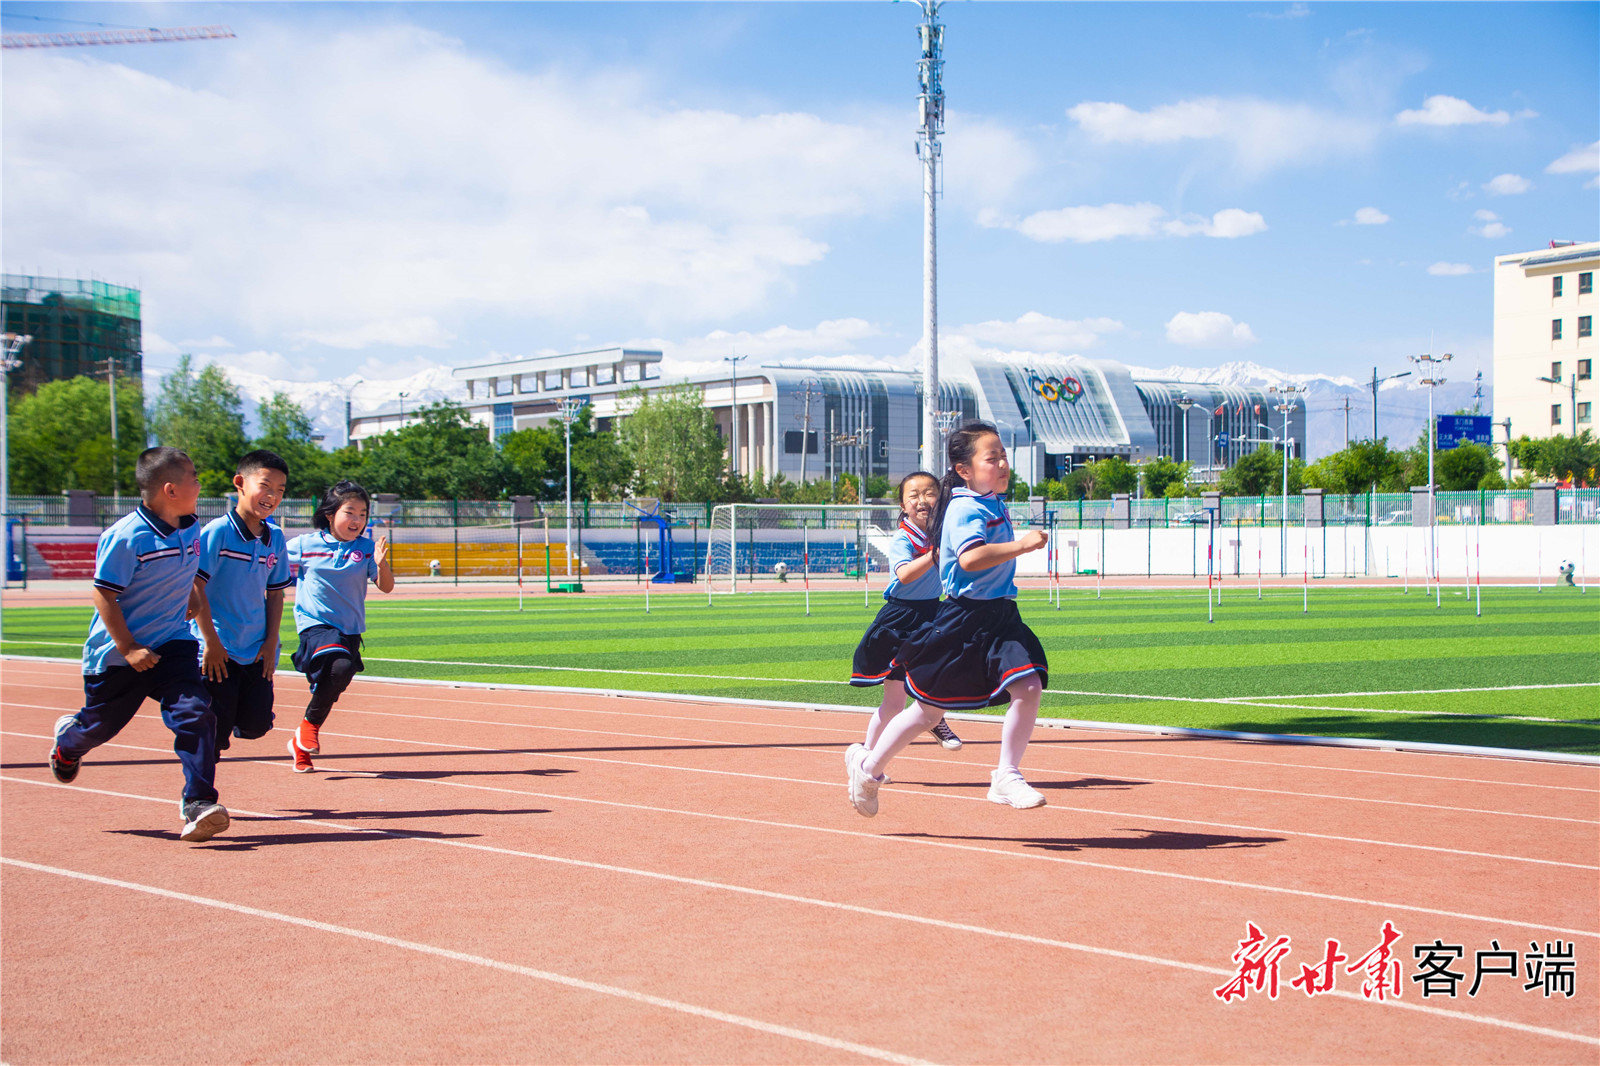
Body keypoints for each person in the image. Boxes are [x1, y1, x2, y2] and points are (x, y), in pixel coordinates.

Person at [846, 423, 1049, 816]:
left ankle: (1006, 775)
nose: (1003, 464)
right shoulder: (965, 508)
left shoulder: (991, 501)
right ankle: (868, 769)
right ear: (963, 469)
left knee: (1028, 686)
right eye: (992, 458)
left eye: (1004, 456)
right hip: (963, 618)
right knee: (927, 711)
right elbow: (970, 559)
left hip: (1001, 613)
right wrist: (1022, 545)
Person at [49, 446, 229, 842]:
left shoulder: (191, 527)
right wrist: (129, 648)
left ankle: (198, 802)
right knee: (99, 728)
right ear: (170, 490)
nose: (200, 484)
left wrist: (192, 598)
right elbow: (103, 595)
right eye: (194, 478)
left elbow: (186, 573)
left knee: (196, 712)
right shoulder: (127, 537)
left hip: (173, 643)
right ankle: (68, 743)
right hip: (119, 655)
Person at [848, 470, 963, 756]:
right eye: (914, 495)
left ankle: (934, 718)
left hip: (934, 612)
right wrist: (934, 555)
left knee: (943, 672)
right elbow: (905, 575)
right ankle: (866, 756)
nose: (922, 500)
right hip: (900, 618)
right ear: (903, 505)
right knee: (894, 703)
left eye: (929, 493)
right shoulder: (903, 538)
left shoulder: (944, 533)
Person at [284, 480, 394, 772]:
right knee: (340, 668)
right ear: (330, 514)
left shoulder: (367, 549)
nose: (357, 520)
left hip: (350, 630)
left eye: (363, 514)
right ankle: (308, 730)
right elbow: (270, 567)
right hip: (315, 626)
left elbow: (386, 587)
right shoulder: (304, 545)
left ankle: (301, 739)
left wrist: (382, 564)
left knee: (335, 682)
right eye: (350, 512)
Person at [191, 450, 292, 757]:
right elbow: (196, 587)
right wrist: (211, 642)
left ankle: (227, 714)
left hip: (256, 650)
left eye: (280, 490)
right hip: (218, 649)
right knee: (214, 738)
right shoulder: (218, 532)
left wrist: (271, 641)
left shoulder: (275, 538)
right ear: (240, 483)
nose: (272, 496)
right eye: (265, 486)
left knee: (256, 725)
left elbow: (276, 594)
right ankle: (200, 779)